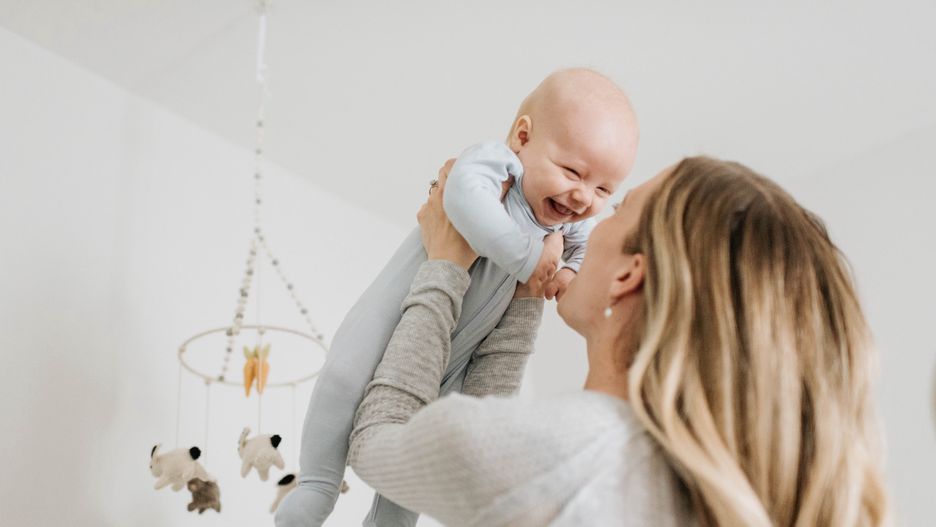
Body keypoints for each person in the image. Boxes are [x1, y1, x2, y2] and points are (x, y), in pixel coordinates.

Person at [347, 157, 890, 526]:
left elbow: (377, 441)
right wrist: (523, 291)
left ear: (629, 275)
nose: (590, 213)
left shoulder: (560, 452)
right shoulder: (711, 485)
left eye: (620, 205)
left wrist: (444, 267)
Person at [276, 68, 639, 527]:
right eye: (573, 171)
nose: (584, 196)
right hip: (396, 315)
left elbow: (581, 248)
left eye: (605, 189)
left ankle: (391, 521)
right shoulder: (492, 165)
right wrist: (531, 258)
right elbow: (463, 202)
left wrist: (566, 270)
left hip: (457, 355)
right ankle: (318, 485)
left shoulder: (568, 225)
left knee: (426, 440)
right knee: (343, 379)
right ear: (522, 138)